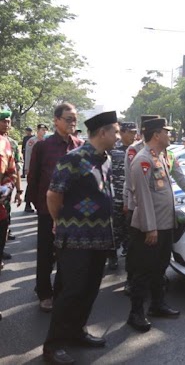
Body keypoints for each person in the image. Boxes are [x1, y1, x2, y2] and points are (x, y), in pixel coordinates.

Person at [42, 111, 120, 364]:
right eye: (116, 131)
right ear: (103, 133)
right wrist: (59, 222)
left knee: (89, 290)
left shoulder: (106, 160)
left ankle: (77, 332)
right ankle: (53, 345)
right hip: (74, 240)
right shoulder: (72, 159)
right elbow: (53, 195)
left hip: (100, 238)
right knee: (70, 292)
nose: (118, 136)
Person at [127, 118, 185, 332]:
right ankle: (136, 313)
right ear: (156, 134)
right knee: (143, 271)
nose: (170, 135)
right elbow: (143, 197)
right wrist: (150, 228)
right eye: (167, 132)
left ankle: (157, 304)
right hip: (150, 228)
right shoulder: (142, 160)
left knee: (159, 268)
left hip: (163, 226)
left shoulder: (160, 157)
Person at [28, 102, 84, 312]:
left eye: (75, 119)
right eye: (68, 119)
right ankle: (44, 292)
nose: (72, 123)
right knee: (45, 254)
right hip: (47, 210)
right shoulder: (43, 146)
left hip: (73, 212)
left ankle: (62, 291)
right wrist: (40, 206)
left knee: (68, 254)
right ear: (56, 120)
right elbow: (33, 178)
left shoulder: (79, 145)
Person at [107, 121, 137, 271]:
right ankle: (112, 257)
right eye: (131, 132)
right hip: (116, 198)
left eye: (135, 132)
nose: (134, 135)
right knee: (114, 231)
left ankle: (129, 253)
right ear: (122, 132)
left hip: (132, 199)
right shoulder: (113, 151)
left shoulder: (138, 150)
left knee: (131, 231)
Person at [0, 112, 22, 262]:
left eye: (8, 121)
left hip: (2, 195)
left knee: (3, 223)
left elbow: (13, 171)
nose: (6, 124)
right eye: (3, 121)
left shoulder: (9, 143)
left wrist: (14, 190)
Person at [23, 123, 49, 213]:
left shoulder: (46, 141)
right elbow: (27, 155)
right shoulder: (32, 141)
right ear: (37, 130)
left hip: (42, 168)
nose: (44, 131)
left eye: (45, 130)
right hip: (32, 167)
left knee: (41, 187)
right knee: (31, 185)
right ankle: (27, 204)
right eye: (42, 130)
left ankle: (39, 206)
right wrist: (27, 168)